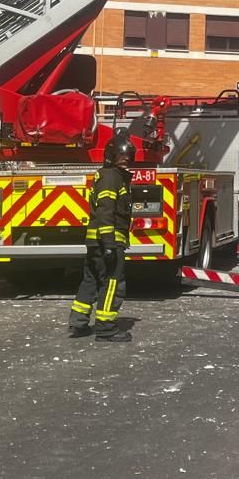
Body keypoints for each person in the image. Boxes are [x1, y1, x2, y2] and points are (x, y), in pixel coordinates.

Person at [72, 131, 135, 342]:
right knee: (112, 282)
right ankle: (106, 328)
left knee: (90, 280)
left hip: (95, 241)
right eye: (121, 156)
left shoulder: (110, 175)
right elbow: (106, 210)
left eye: (128, 156)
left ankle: (79, 322)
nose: (126, 159)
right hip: (108, 241)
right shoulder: (111, 177)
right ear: (111, 156)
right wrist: (109, 243)